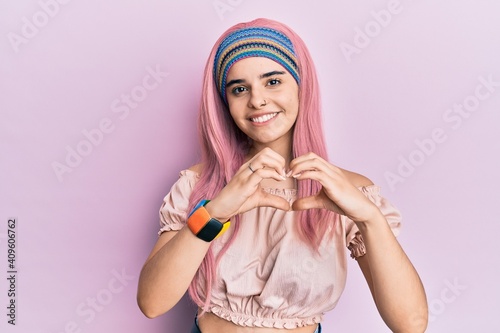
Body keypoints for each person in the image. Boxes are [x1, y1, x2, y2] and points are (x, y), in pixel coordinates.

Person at [137, 18, 428, 333]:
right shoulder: (199, 185)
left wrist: (370, 218)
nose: (257, 100)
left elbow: (410, 324)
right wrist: (215, 212)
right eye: (239, 89)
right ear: (225, 102)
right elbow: (153, 303)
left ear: (302, 87)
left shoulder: (347, 191)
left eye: (273, 81)